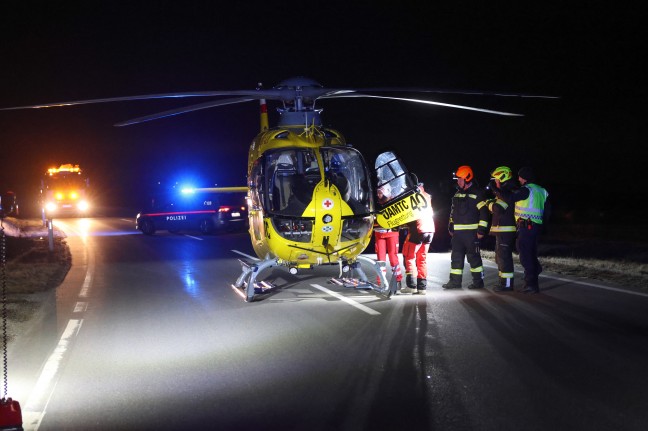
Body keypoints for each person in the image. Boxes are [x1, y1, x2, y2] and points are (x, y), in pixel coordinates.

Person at [442, 165, 489, 289]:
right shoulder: (457, 194)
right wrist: (450, 225)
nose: (458, 181)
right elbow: (452, 212)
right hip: (458, 235)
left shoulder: (478, 194)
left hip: (471, 234)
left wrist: (481, 230)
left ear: (467, 179)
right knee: (456, 258)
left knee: (474, 259)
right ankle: (455, 282)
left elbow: (484, 213)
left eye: (460, 179)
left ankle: (478, 282)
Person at [509, 166, 550, 294]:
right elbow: (548, 211)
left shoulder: (526, 190)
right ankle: (534, 270)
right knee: (531, 253)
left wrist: (503, 188)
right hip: (536, 227)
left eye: (520, 177)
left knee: (525, 256)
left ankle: (531, 284)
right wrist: (543, 226)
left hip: (526, 227)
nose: (518, 179)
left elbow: (510, 198)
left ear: (524, 178)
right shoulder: (542, 191)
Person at [486, 166, 518, 292]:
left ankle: (507, 284)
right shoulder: (505, 193)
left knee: (504, 258)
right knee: (500, 257)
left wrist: (489, 203)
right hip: (502, 230)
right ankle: (502, 282)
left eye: (496, 180)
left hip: (506, 230)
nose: (495, 182)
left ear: (502, 178)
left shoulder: (508, 193)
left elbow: (498, 209)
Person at [400, 183, 435, 295]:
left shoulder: (413, 196)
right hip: (430, 230)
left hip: (418, 230)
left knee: (409, 256)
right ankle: (422, 287)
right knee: (422, 259)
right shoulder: (427, 196)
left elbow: (410, 216)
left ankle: (411, 285)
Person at [373, 183, 403, 288]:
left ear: (386, 191)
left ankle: (398, 280)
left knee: (393, 257)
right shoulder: (376, 203)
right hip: (379, 234)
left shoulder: (394, 202)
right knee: (380, 259)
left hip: (392, 233)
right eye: (378, 192)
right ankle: (381, 282)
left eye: (380, 192)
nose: (378, 194)